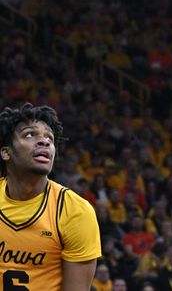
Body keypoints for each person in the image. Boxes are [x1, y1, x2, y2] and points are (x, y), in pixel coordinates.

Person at [0, 103, 101, 290]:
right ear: (6, 152)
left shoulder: (75, 211)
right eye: (29, 135)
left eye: (49, 138)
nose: (44, 141)